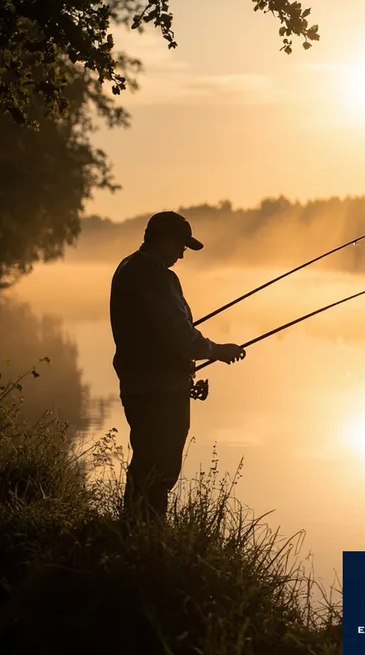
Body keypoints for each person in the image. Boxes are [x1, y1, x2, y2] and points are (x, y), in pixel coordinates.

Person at [109, 211, 245, 519]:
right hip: (161, 390)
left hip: (137, 385)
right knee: (161, 468)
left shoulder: (127, 267)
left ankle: (134, 532)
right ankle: (147, 537)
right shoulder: (157, 275)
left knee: (145, 462)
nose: (182, 254)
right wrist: (217, 350)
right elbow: (178, 334)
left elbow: (160, 327)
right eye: (181, 245)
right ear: (165, 239)